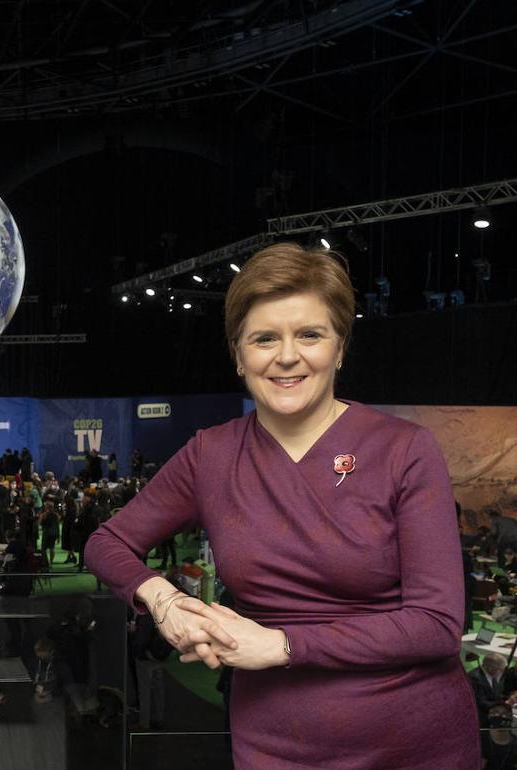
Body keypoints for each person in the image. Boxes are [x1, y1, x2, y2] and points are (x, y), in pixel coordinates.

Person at [85, 243, 477, 768]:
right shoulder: (211, 453)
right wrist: (164, 601)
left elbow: (436, 623)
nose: (287, 356)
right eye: (264, 338)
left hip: (413, 743)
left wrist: (283, 645)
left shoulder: (404, 448)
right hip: (274, 744)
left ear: (340, 347)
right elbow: (105, 542)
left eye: (309, 335)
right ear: (238, 353)